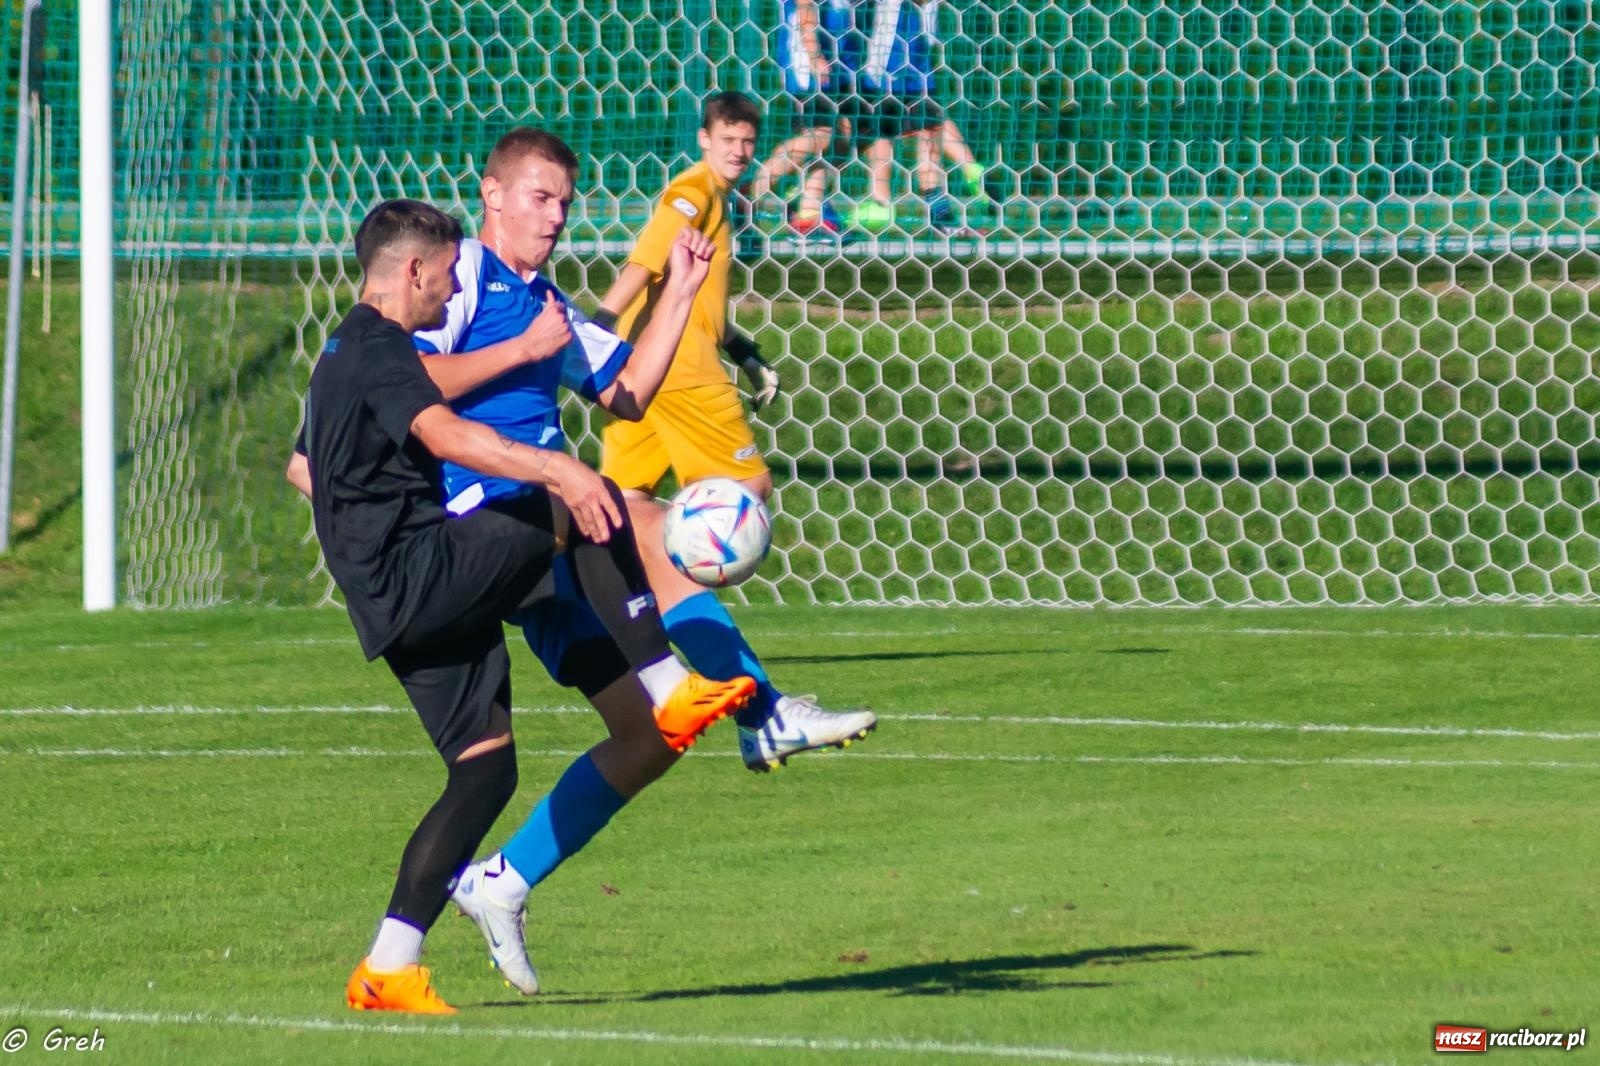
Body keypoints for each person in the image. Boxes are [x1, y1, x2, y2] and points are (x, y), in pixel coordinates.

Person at [287, 197, 754, 1013]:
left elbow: (311, 469)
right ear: (414, 270)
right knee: (584, 495)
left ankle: (387, 967)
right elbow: (447, 436)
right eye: (442, 279)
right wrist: (554, 469)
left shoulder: (342, 356)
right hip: (418, 570)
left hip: (390, 600)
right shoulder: (379, 345)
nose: (448, 294)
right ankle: (667, 687)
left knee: (486, 770)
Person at [595, 91, 878, 774]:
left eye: (748, 141)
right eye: (727, 138)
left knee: (616, 517)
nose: (739, 151)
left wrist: (746, 351)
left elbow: (703, 299)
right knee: (745, 492)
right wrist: (600, 317)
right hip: (681, 375)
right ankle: (746, 696)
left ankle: (649, 639)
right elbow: (651, 257)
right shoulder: (693, 192)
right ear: (704, 138)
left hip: (651, 373)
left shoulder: (725, 201)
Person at [840, 0, 1006, 234]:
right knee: (929, 127)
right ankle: (965, 179)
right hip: (917, 48)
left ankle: (881, 202)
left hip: (887, 50)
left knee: (875, 127)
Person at [742, 0, 853, 240]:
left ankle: (809, 211)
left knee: (843, 135)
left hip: (835, 64)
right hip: (807, 66)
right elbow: (806, 7)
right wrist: (814, 55)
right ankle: (751, 194)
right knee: (821, 135)